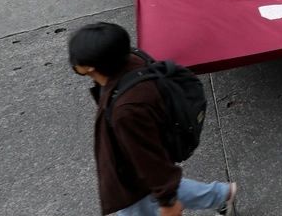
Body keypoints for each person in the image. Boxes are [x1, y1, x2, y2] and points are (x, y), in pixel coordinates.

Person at [67, 22, 236, 216]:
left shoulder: (127, 111)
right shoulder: (131, 59)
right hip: (133, 171)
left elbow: (150, 160)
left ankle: (221, 195)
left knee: (145, 196)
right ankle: (222, 194)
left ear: (89, 67)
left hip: (130, 177)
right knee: (154, 189)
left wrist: (168, 202)